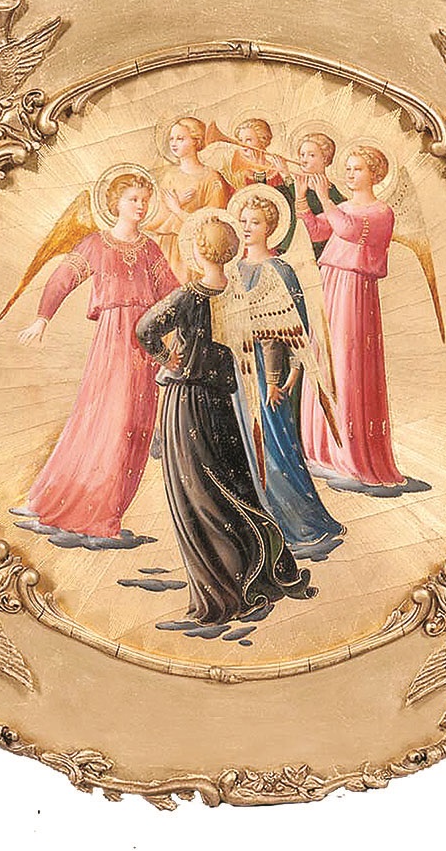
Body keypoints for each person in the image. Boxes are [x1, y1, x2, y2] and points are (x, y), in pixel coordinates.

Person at [136, 212, 316, 624]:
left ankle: (220, 595)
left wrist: (167, 358)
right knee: (235, 489)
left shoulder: (187, 296)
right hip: (221, 403)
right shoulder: (240, 297)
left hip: (186, 402)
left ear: (198, 252)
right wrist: (275, 379)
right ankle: (262, 576)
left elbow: (145, 329)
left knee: (197, 498)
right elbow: (271, 340)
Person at [15, 172, 178, 536]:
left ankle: (108, 510)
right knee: (105, 421)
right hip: (112, 340)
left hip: (145, 344)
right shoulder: (96, 244)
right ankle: (66, 503)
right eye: (133, 199)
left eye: (144, 200)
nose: (141, 206)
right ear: (115, 203)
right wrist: (43, 317)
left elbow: (171, 291)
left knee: (133, 424)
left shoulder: (150, 249)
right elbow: (62, 279)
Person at [297, 145, 428, 495]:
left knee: (348, 364)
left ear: (374, 174)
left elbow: (349, 230)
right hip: (331, 285)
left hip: (354, 290)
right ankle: (323, 451)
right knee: (326, 360)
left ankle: (353, 459)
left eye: (357, 169)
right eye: (349, 168)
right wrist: (302, 197)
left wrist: (324, 197)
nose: (351, 174)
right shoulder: (343, 208)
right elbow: (317, 231)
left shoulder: (381, 212)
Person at [230, 189, 345, 547]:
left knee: (276, 447)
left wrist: (291, 376)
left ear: (270, 227)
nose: (247, 228)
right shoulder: (235, 269)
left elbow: (298, 328)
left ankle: (299, 524)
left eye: (255, 222)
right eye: (243, 221)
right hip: (239, 370)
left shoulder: (280, 270)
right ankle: (261, 527)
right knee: (244, 446)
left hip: (271, 376)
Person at [148, 117, 232, 283]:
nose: (174, 144)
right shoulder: (169, 176)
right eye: (172, 139)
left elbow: (213, 225)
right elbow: (153, 218)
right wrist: (177, 203)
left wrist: (177, 210)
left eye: (180, 139)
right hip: (167, 249)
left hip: (196, 251)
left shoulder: (212, 178)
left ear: (196, 141)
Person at [276, 132, 346, 256]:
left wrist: (286, 176)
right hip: (291, 246)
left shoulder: (331, 192)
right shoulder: (301, 182)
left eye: (311, 155)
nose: (304, 159)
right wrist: (285, 174)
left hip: (317, 250)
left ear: (325, 158)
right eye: (302, 155)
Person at [226, 117, 286, 189]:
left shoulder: (274, 171)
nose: (242, 144)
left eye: (248, 140)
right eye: (240, 140)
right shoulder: (239, 173)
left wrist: (285, 174)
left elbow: (285, 195)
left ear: (262, 141)